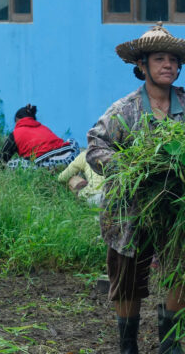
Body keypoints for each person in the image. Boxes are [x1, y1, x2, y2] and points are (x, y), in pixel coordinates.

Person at [87, 22, 185, 354]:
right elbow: (96, 147)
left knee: (180, 268)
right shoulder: (125, 109)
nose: (167, 65)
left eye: (172, 59)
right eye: (159, 59)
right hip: (130, 208)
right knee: (127, 276)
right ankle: (128, 344)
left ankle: (170, 341)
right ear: (142, 65)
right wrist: (130, 168)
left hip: (177, 206)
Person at [0, 104, 79, 170]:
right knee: (72, 141)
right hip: (67, 155)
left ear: (17, 120)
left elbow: (1, 160)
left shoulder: (15, 133)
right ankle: (63, 166)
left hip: (43, 161)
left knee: (12, 164)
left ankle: (50, 167)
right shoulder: (43, 127)